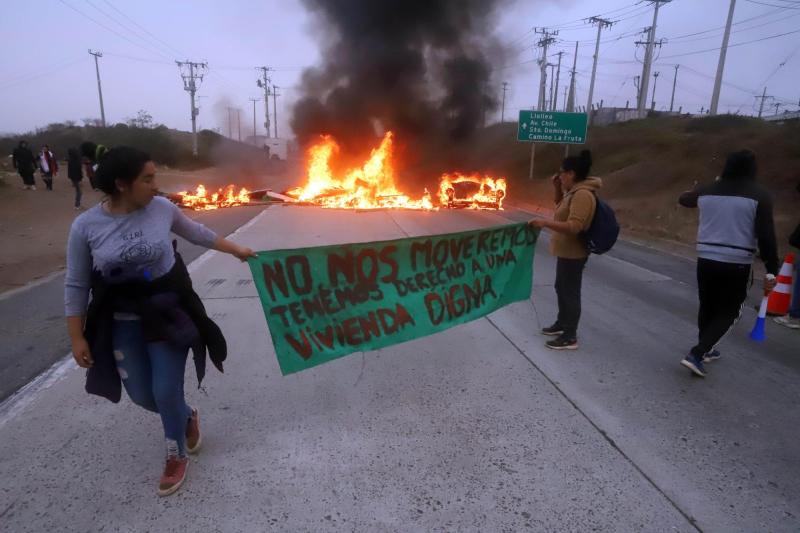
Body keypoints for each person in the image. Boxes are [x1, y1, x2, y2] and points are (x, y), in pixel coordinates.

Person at [65, 146, 255, 496]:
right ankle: (186, 416)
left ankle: (175, 453)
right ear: (122, 184)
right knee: (142, 396)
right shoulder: (86, 227)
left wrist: (236, 249)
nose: (156, 185)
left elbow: (198, 232)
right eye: (148, 179)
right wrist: (77, 338)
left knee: (165, 390)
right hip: (122, 320)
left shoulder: (162, 209)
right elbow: (76, 283)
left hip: (168, 312)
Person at [678, 149, 779, 377]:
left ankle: (706, 348)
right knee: (730, 311)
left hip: (705, 258)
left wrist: (702, 187)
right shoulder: (759, 196)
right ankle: (698, 352)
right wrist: (773, 268)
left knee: (708, 305)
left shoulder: (707, 190)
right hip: (737, 262)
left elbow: (684, 199)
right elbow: (766, 236)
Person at [529, 150, 600, 350]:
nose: (559, 176)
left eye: (562, 173)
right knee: (561, 287)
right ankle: (562, 324)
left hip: (574, 252)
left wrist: (544, 223)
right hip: (565, 251)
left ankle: (570, 336)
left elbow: (574, 226)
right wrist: (557, 188)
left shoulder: (583, 195)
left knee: (570, 292)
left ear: (571, 174)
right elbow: (561, 208)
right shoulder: (573, 192)